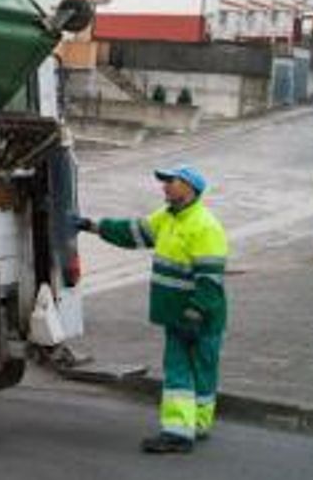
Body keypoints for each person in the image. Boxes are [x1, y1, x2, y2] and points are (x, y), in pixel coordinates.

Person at [75, 165, 228, 454]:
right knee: (195, 369)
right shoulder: (167, 218)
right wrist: (91, 226)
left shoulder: (205, 226)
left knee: (185, 372)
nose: (165, 186)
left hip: (196, 316)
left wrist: (195, 312)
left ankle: (179, 434)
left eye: (172, 181)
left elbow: (210, 279)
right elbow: (132, 232)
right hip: (181, 315)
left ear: (190, 188)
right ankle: (195, 425)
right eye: (165, 181)